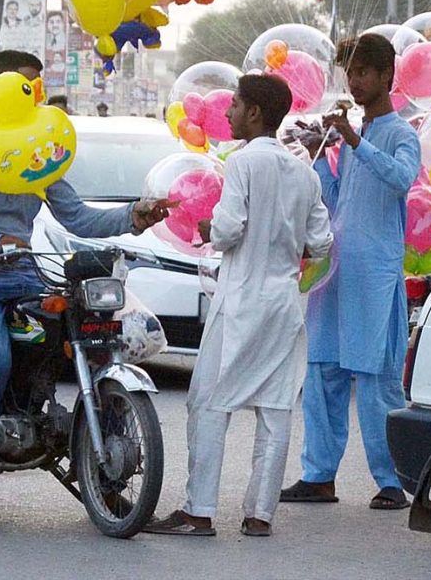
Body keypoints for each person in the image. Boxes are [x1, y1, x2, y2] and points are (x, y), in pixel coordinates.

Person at [0, 49, 173, 528]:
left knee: (90, 344)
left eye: (37, 87)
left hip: (27, 275)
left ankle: (100, 478)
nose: (34, 96)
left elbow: (77, 216)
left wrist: (133, 216)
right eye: (24, 86)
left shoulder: (39, 155)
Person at [145, 74, 333, 538]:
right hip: (285, 304)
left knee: (208, 402)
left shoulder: (243, 163)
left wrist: (209, 228)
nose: (226, 114)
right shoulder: (304, 173)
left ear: (254, 113)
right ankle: (259, 514)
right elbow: (322, 241)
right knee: (274, 409)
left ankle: (198, 510)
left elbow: (228, 230)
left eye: (234, 106)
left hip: (242, 299)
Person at [281, 33, 421, 511]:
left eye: (364, 72)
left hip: (375, 274)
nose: (356, 82)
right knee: (323, 373)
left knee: (378, 379)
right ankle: (318, 476)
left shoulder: (401, 134)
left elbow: (402, 179)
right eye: (351, 74)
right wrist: (318, 154)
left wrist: (356, 141)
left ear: (387, 76)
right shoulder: (351, 137)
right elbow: (337, 201)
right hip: (337, 269)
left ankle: (392, 481)